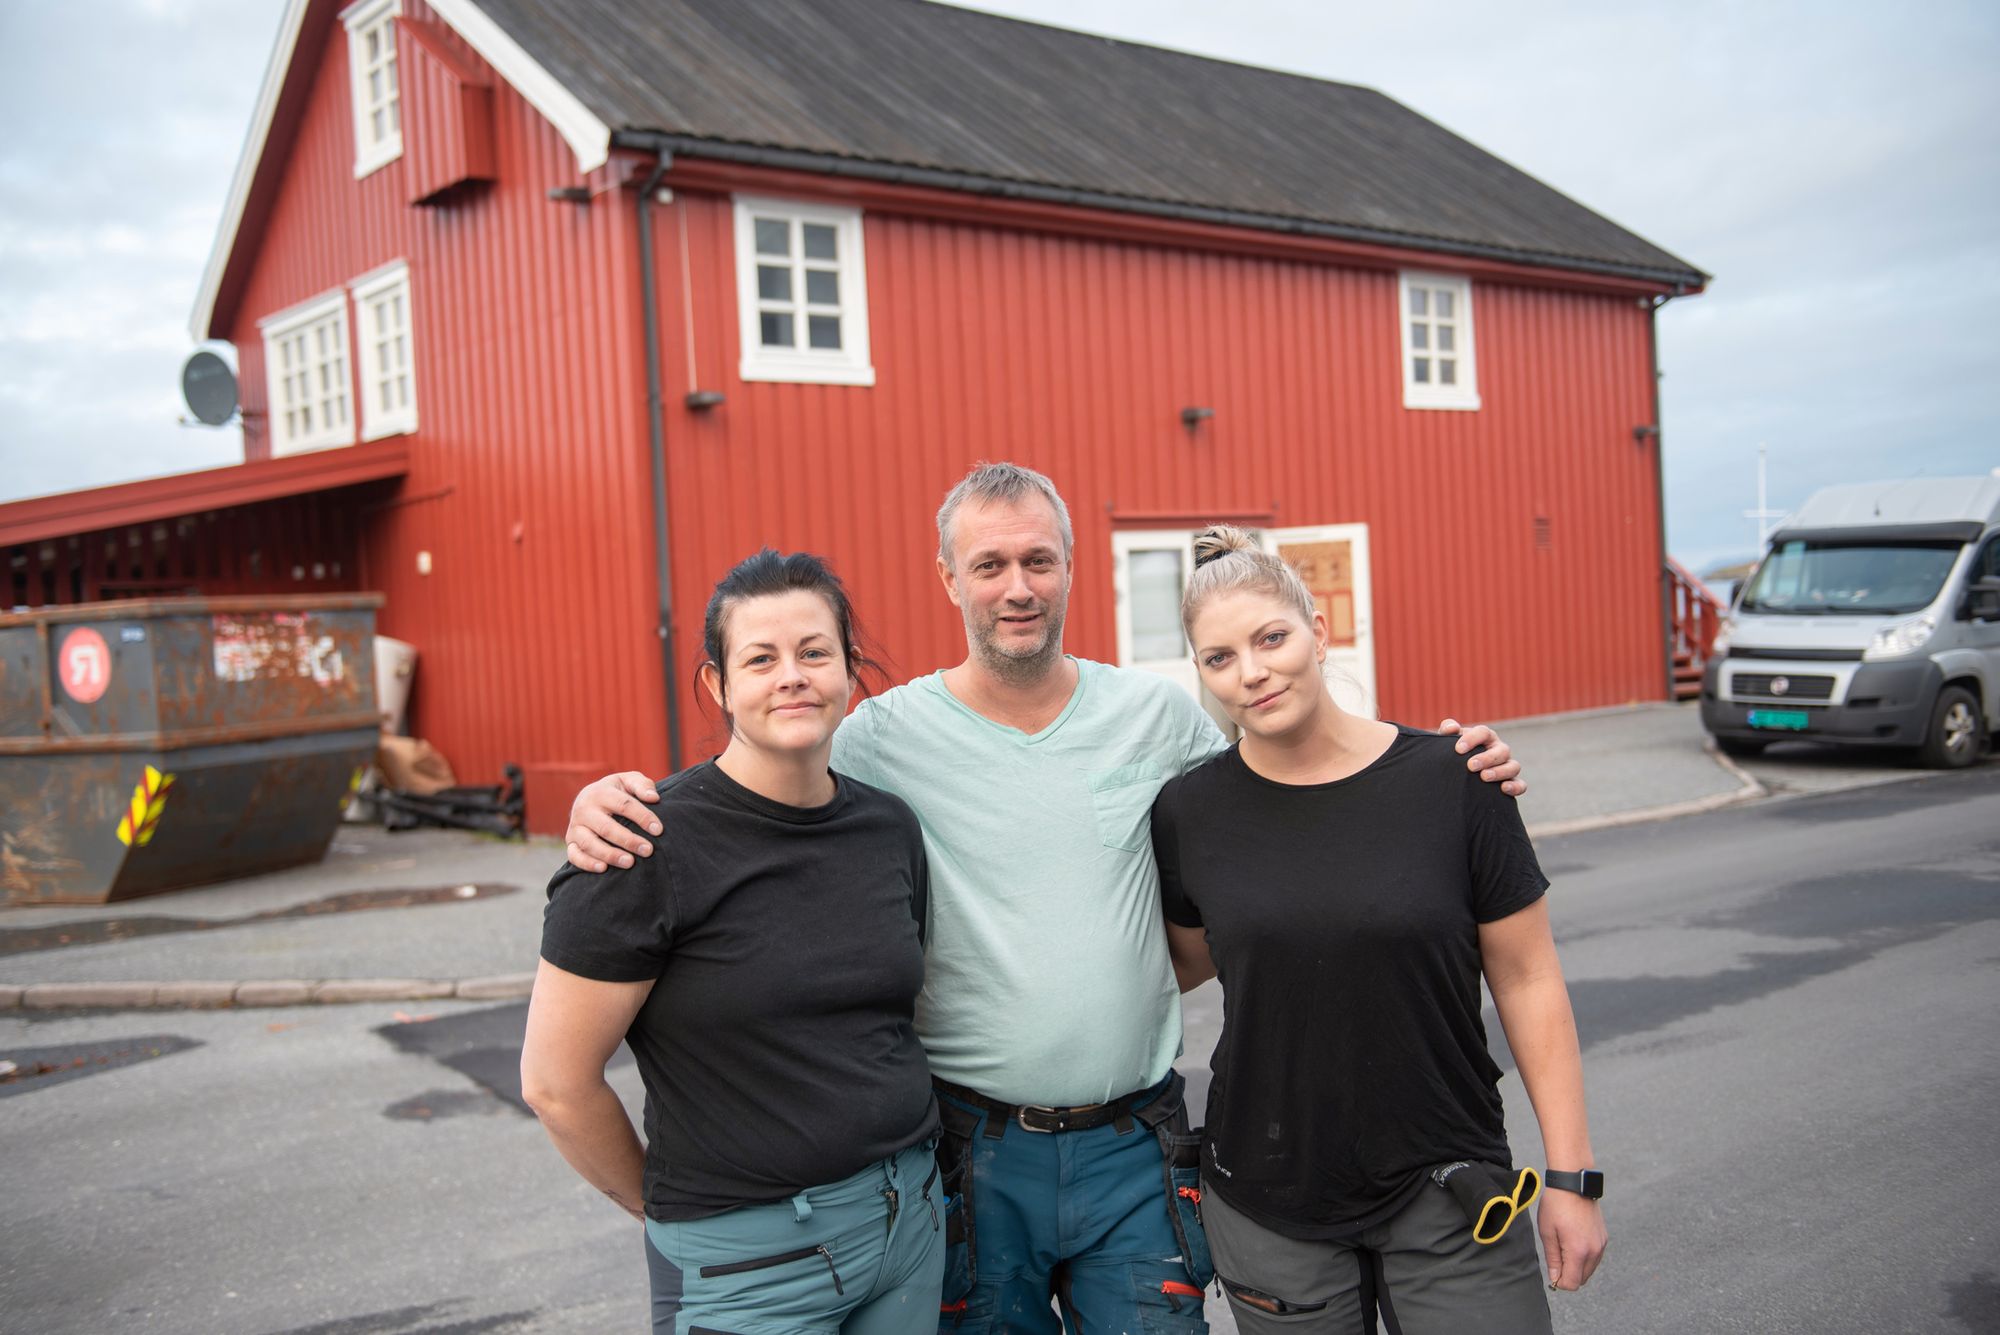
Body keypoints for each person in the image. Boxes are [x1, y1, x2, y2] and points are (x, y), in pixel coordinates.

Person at [563, 463, 1527, 1334]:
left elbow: (1294, 781)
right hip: (970, 1150)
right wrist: (613, 799)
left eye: (1038, 560)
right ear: (949, 580)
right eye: (988, 565)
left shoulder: (1159, 719)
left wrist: (1436, 764)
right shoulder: (878, 737)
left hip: (1135, 1144)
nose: (1015, 587)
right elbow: (765, 761)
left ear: (1071, 568)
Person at [1150, 526, 1605, 1335]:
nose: (1251, 672)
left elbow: (1529, 978)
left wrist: (1571, 1177)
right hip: (1268, 1198)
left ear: (1318, 630)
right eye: (1220, 658)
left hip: (1450, 1183)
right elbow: (1181, 963)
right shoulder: (1190, 811)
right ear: (1202, 673)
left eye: (1271, 637)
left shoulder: (1457, 779)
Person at [520, 550, 944, 1334]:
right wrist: (671, 1214)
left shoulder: (888, 827)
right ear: (718, 684)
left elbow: (890, 1012)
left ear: (849, 669)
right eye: (761, 657)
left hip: (908, 1227)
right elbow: (555, 1082)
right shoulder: (643, 846)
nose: (793, 675)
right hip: (746, 1265)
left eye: (815, 651)